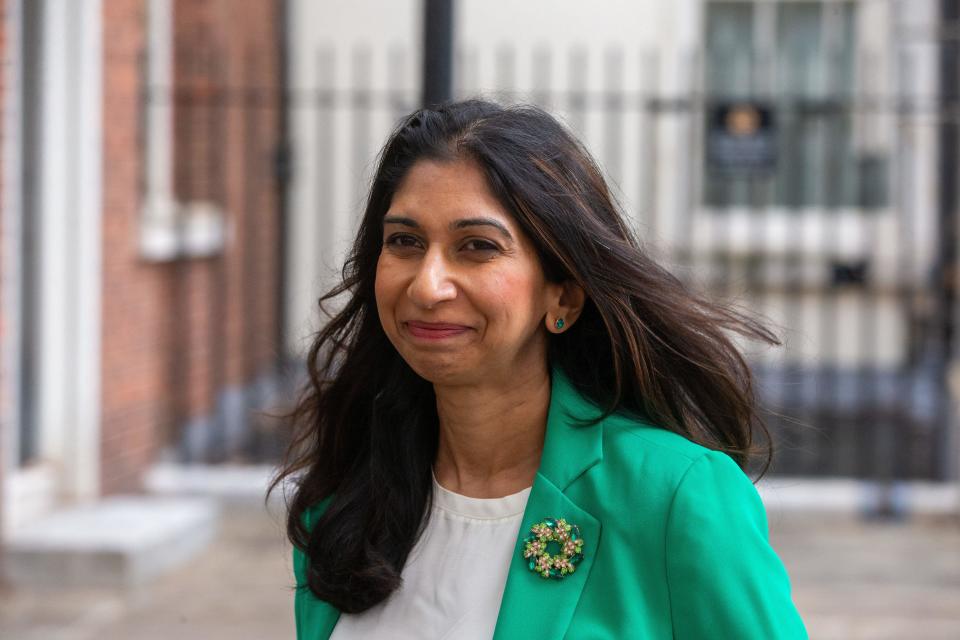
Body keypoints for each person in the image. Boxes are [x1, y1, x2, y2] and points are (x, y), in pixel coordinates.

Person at [269, 98, 808, 639]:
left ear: (564, 298)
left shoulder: (674, 495)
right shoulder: (342, 506)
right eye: (405, 242)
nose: (427, 286)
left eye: (477, 246)